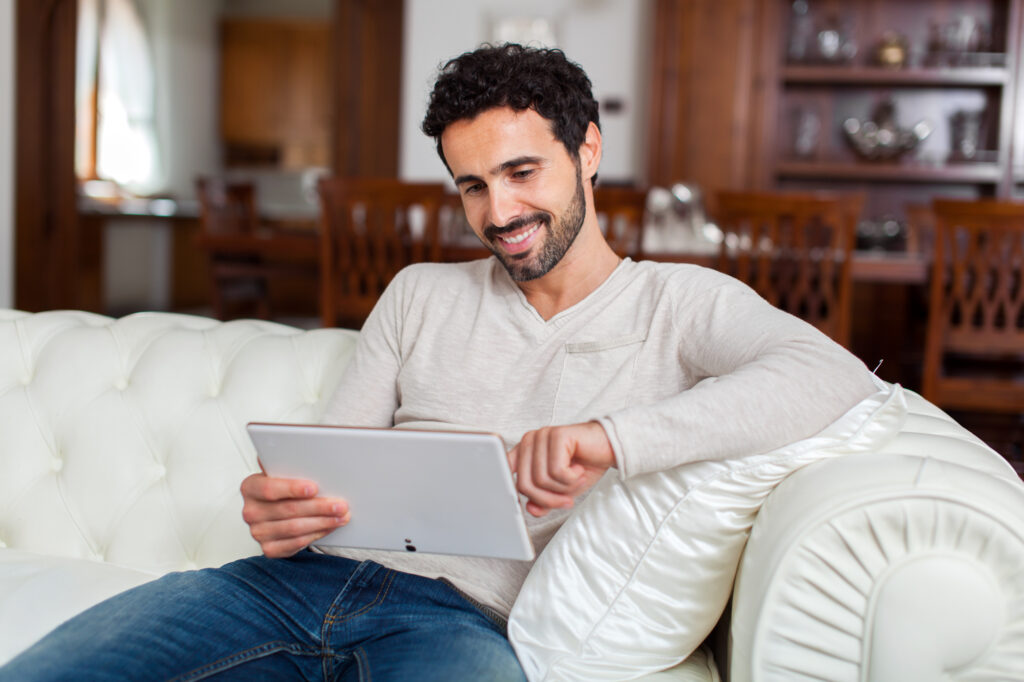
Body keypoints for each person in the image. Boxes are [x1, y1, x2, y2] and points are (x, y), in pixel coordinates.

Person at [0, 44, 877, 681]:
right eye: (471, 186)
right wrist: (288, 511)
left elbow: (830, 377)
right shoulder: (420, 292)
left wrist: (612, 438)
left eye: (522, 171)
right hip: (289, 587)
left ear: (590, 151)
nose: (499, 212)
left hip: (458, 623)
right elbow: (333, 463)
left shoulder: (680, 303)